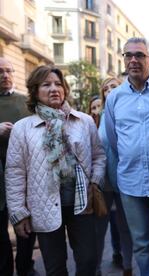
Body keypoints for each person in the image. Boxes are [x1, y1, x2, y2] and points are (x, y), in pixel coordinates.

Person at [5, 65, 106, 275]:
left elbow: (99, 156)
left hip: (82, 203)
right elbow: (15, 172)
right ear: (35, 91)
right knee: (55, 267)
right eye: (46, 84)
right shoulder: (23, 128)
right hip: (43, 206)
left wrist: (94, 181)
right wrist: (18, 213)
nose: (54, 89)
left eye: (58, 84)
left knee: (89, 261)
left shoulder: (84, 121)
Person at [105, 37, 149, 276]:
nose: (133, 60)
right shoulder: (114, 98)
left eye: (139, 55)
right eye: (128, 55)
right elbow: (114, 141)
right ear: (123, 59)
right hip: (130, 185)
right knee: (142, 247)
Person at [0, 57, 36, 276]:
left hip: (24, 176)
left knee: (26, 226)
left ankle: (25, 266)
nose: (5, 75)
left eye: (8, 71)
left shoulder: (27, 102)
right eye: (0, 71)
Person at [96, 77, 134, 276]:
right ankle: (97, 269)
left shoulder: (129, 113)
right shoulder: (101, 115)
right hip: (104, 180)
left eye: (114, 86)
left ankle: (128, 267)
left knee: (125, 227)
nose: (109, 90)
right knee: (99, 228)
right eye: (106, 88)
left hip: (125, 179)